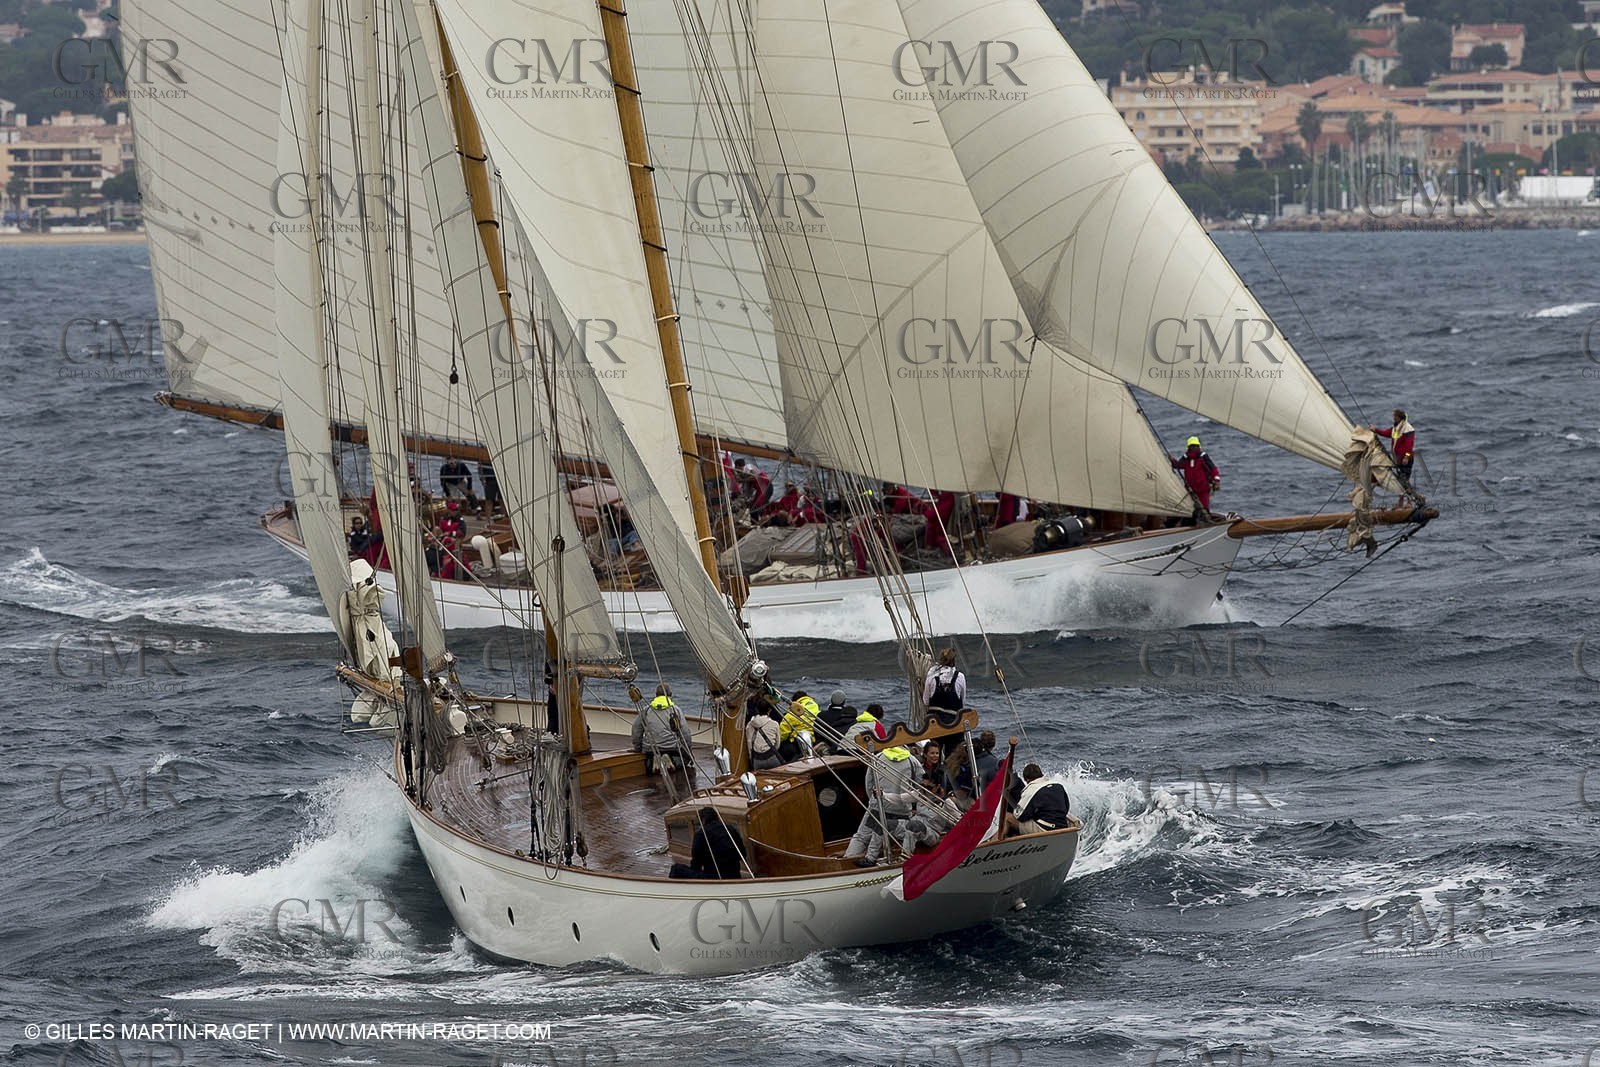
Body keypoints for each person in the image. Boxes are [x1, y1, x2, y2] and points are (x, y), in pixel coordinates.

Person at [843, 730, 919, 867]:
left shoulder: (877, 758)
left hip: (878, 808)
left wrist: (874, 801)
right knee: (904, 834)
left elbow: (869, 784)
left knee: (862, 836)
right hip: (902, 811)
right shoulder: (913, 762)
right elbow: (919, 787)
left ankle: (847, 862)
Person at [669, 806, 746, 879]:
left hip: (714, 877)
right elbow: (743, 854)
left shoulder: (701, 834)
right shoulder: (730, 829)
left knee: (676, 869)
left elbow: (696, 863)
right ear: (717, 817)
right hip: (735, 874)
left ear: (703, 820)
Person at [632, 683, 693, 776]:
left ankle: (653, 761)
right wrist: (688, 752)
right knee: (684, 760)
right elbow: (685, 734)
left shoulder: (646, 710)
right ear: (670, 695)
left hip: (651, 749)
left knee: (648, 761)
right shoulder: (675, 710)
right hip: (671, 748)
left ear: (656, 695)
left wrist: (638, 748)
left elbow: (636, 730)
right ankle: (672, 761)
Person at [1372, 408, 1417, 499]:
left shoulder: (1407, 429)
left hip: (1405, 460)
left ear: (1400, 417)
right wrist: (1375, 430)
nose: (1393, 418)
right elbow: (1387, 433)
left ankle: (1407, 502)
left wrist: (1406, 457)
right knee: (1400, 481)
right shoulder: (1396, 428)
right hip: (1398, 459)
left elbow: (1409, 445)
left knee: (1404, 481)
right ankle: (1403, 502)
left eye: (1395, 416)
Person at [1014, 763, 1070, 834]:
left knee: (1008, 818)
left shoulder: (1031, 789)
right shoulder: (1059, 786)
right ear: (1041, 774)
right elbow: (1066, 808)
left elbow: (1019, 816)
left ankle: (998, 843)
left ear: (1027, 779)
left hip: (1046, 830)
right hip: (1063, 827)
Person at [1170, 436, 1221, 513]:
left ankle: (1205, 520)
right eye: (1192, 446)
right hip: (1190, 489)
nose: (1194, 448)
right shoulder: (1186, 458)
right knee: (1192, 510)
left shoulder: (1203, 457)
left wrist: (1216, 481)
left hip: (1202, 489)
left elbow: (1213, 469)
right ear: (1189, 447)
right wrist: (1172, 460)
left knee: (1204, 508)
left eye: (1195, 446)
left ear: (1198, 446)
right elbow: (1178, 465)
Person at [923, 647, 966, 718]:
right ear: (954, 660)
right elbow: (962, 702)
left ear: (941, 659)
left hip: (933, 722)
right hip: (953, 723)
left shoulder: (932, 674)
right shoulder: (960, 676)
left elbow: (926, 701)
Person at [777, 691, 820, 761]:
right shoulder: (815, 705)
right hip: (814, 739)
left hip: (797, 744)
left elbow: (782, 735)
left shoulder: (792, 714)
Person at [745, 705, 783, 770]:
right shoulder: (774, 724)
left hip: (757, 760)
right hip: (772, 758)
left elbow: (749, 744)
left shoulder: (749, 725)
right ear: (769, 710)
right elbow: (777, 744)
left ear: (756, 710)